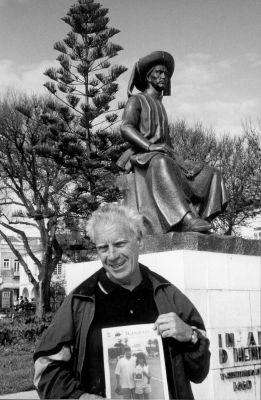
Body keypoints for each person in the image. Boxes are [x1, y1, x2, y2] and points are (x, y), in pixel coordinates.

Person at [34, 203, 210, 399]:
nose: (112, 256)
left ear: (139, 240)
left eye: (119, 244)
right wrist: (79, 397)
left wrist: (190, 336)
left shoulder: (169, 296)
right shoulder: (79, 301)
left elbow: (199, 372)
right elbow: (46, 371)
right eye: (103, 248)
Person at [117, 51, 227, 234]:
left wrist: (180, 161)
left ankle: (203, 221)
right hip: (145, 156)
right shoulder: (137, 100)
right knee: (161, 162)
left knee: (210, 172)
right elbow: (126, 127)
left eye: (166, 74)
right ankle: (185, 219)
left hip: (166, 154)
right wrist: (150, 146)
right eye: (159, 73)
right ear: (147, 76)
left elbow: (166, 141)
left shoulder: (160, 104)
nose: (163, 77)